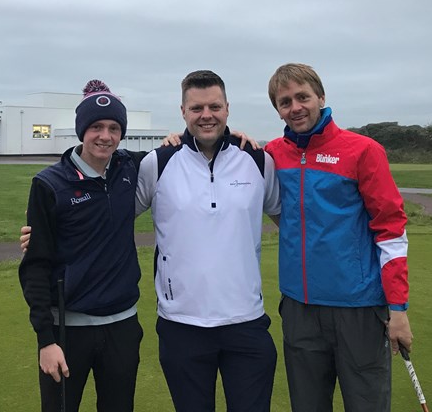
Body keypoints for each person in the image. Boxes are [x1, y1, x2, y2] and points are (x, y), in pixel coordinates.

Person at [263, 63, 413, 411]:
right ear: (278, 110)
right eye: (285, 102)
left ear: (321, 97)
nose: (295, 107)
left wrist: (398, 308)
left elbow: (390, 230)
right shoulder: (273, 154)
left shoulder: (362, 150)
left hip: (357, 309)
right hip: (300, 308)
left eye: (303, 96)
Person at [136, 70, 282, 411]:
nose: (206, 115)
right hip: (181, 324)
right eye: (197, 108)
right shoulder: (157, 162)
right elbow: (111, 217)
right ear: (183, 111)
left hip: (245, 322)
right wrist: (47, 231)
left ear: (227, 108)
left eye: (214, 106)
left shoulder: (258, 160)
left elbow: (289, 221)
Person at [18, 79, 146, 412]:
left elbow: (184, 147)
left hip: (122, 326)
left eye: (114, 127)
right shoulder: (49, 184)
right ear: (81, 131)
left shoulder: (129, 168)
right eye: (96, 127)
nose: (105, 135)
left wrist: (235, 138)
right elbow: (35, 266)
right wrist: (45, 340)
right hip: (66, 331)